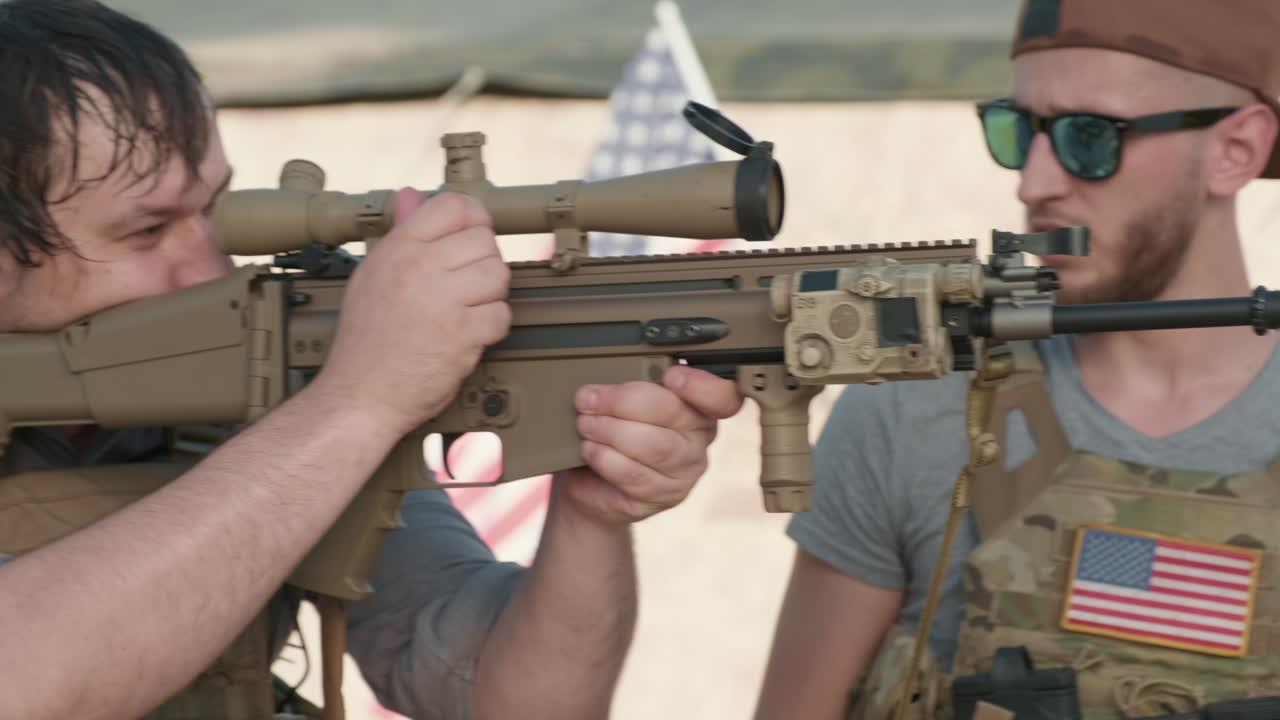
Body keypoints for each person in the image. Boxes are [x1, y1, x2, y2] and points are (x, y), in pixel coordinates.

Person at [0, 1, 744, 718]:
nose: (214, 268)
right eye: (148, 230)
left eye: (216, 210)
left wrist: (590, 516)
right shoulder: (329, 412)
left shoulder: (256, 392)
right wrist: (356, 405)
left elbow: (508, 700)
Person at [756, 1, 1280, 719]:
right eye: (1019, 131)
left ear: (1236, 151)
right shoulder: (916, 411)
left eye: (1089, 137)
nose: (1033, 185)